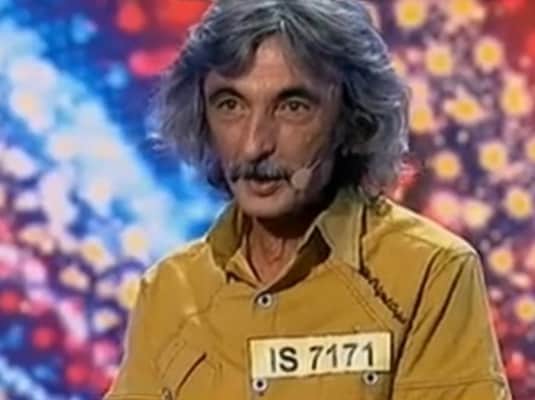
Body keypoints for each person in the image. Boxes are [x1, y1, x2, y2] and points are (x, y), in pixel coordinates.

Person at [105, 0, 512, 399]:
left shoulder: (431, 272)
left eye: (292, 106)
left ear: (353, 120)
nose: (253, 145)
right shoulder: (171, 289)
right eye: (230, 105)